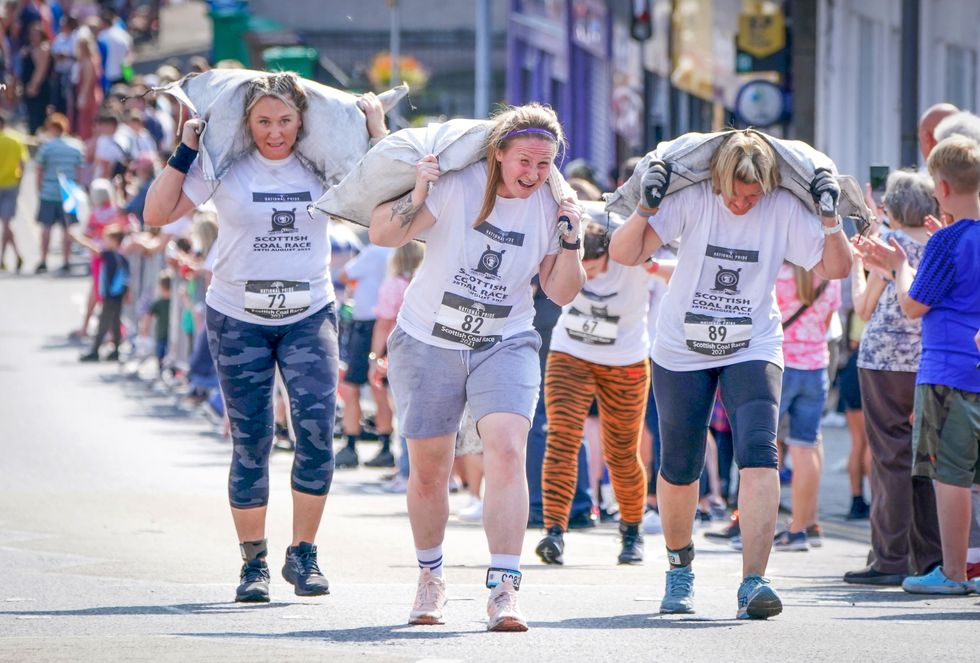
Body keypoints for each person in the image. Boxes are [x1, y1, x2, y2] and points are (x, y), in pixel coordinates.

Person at [144, 72, 390, 603]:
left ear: (302, 121)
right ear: (247, 123)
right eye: (263, 121)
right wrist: (186, 149)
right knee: (252, 441)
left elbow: (387, 203)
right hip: (238, 318)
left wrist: (377, 131)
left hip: (309, 315)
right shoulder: (225, 168)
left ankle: (303, 553)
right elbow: (156, 213)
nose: (274, 132)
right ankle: (253, 563)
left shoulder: (324, 168)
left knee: (316, 434)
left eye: (284, 120)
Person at [608, 129, 851, 619]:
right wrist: (647, 207)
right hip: (682, 345)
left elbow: (837, 267)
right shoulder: (694, 198)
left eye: (753, 196)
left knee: (759, 454)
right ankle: (679, 570)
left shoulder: (780, 206)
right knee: (681, 464)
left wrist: (830, 219)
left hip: (752, 342)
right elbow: (625, 253)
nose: (744, 204)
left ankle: (754, 582)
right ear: (718, 181)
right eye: (736, 195)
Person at [369, 103, 585, 631]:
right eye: (524, 161)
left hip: (504, 338)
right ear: (498, 154)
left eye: (544, 164)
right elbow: (382, 234)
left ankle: (504, 589)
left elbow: (561, 292)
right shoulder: (459, 186)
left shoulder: (551, 205)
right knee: (430, 470)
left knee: (507, 449)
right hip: (428, 338)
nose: (533, 173)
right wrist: (419, 191)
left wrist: (571, 238)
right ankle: (430, 577)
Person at [857, 135, 980, 594]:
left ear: (941, 188)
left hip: (948, 369)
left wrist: (898, 265)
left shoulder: (945, 241)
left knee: (951, 475)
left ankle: (953, 572)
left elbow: (912, 304)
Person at [844, 170, 942, 586]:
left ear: (894, 207)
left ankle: (889, 557)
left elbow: (863, 308)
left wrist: (856, 265)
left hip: (883, 361)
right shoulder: (939, 242)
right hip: (928, 361)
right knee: (926, 463)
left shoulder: (888, 244)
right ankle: (930, 556)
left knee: (889, 460)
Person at [536, 220, 651, 566]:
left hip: (626, 360)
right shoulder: (569, 250)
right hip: (570, 353)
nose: (587, 276)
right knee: (561, 440)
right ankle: (554, 531)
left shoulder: (629, 252)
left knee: (622, 452)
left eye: (594, 267)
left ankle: (631, 531)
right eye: (581, 267)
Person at [772, 263, 842, 551]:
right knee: (806, 447)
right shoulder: (830, 277)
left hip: (782, 365)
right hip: (816, 368)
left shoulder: (778, 276)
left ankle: (757, 522)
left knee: (767, 445)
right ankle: (803, 527)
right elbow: (827, 323)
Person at [335, 242, 395, 469]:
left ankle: (351, 444)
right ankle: (385, 444)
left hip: (367, 324)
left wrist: (358, 285)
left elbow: (344, 275)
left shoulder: (374, 251)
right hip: (389, 322)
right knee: (381, 386)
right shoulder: (400, 249)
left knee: (352, 386)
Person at [34, 111, 84, 274]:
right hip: (68, 192)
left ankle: (43, 260)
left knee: (46, 228)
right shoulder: (75, 146)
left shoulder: (47, 147)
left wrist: (39, 188)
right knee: (67, 228)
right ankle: (66, 260)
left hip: (49, 191)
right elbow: (80, 171)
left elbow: (39, 170)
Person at [73, 223, 130, 362]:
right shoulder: (122, 258)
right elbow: (127, 277)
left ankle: (95, 350)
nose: (104, 242)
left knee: (103, 322)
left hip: (110, 296)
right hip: (118, 295)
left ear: (115, 241)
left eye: (107, 239)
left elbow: (95, 250)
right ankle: (116, 349)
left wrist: (79, 239)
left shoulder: (110, 255)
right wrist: (127, 293)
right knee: (115, 322)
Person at [0, 113, 26, 272]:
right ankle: (15, 255)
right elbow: (22, 163)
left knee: (6, 225)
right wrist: (19, 183)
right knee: (6, 224)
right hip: (11, 184)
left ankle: (4, 258)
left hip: (6, 185)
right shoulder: (15, 139)